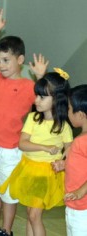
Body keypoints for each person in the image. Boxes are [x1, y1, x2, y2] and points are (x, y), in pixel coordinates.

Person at [0, 8, 48, 236]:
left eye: (6, 60)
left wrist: (41, 77)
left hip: (10, 151)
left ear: (20, 60)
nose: (1, 65)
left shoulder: (27, 86)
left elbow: (47, 98)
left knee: (8, 195)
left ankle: (6, 230)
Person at [0, 70, 73, 236]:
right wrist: (45, 148)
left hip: (46, 174)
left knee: (34, 215)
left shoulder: (63, 126)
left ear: (56, 99)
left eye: (42, 97)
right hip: (29, 169)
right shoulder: (33, 118)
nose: (36, 100)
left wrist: (63, 160)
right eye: (37, 96)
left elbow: (70, 147)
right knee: (30, 215)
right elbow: (22, 144)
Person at [52, 85, 87, 236]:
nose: (67, 112)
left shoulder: (83, 140)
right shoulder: (80, 139)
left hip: (82, 208)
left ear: (80, 114)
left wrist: (81, 191)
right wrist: (64, 165)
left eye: (69, 108)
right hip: (74, 205)